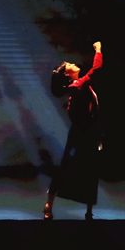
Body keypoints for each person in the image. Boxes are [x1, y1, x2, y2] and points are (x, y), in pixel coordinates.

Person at [44, 41, 103, 220]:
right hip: (80, 132)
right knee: (66, 167)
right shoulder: (77, 85)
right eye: (69, 65)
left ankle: (89, 211)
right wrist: (98, 50)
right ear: (67, 74)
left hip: (89, 131)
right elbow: (96, 69)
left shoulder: (79, 84)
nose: (73, 63)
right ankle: (49, 205)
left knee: (90, 169)